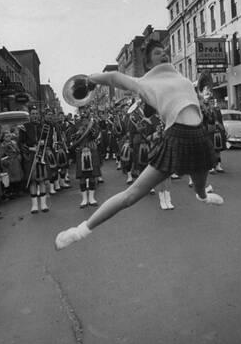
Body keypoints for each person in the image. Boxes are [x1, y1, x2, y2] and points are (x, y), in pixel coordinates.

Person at [55, 40, 223, 250]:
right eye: (157, 53)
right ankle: (79, 231)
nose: (164, 55)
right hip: (176, 136)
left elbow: (197, 97)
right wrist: (90, 80)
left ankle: (203, 196)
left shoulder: (182, 78)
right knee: (130, 196)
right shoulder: (144, 82)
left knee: (200, 186)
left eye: (164, 52)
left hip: (198, 136)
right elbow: (115, 77)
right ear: (148, 63)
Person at [18, 106, 49, 214]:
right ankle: (35, 205)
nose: (35, 115)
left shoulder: (44, 127)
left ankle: (44, 204)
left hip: (42, 155)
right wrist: (31, 148)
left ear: (38, 115)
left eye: (36, 113)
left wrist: (43, 144)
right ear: (29, 115)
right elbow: (20, 143)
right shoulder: (24, 127)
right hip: (30, 157)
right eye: (33, 113)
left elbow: (48, 141)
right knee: (32, 181)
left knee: (41, 180)